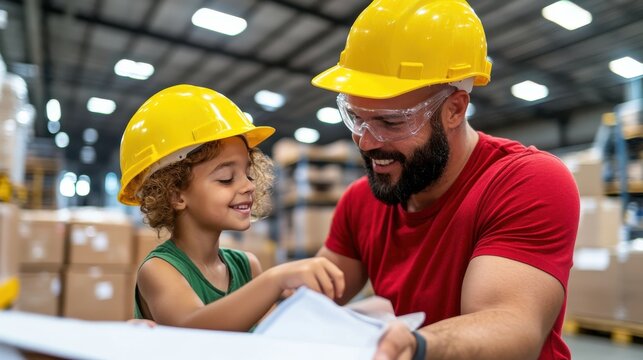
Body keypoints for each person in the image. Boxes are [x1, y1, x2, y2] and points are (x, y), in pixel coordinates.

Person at [310, 1, 579, 359]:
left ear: (454, 109)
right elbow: (312, 301)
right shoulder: (362, 200)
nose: (366, 141)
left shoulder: (526, 180)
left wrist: (417, 344)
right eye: (356, 118)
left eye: (391, 123)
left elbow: (509, 322)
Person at [118, 84, 344, 331]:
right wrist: (274, 281)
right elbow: (193, 328)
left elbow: (268, 338)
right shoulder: (159, 270)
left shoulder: (247, 266)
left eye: (248, 173)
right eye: (226, 178)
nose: (248, 186)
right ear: (174, 194)